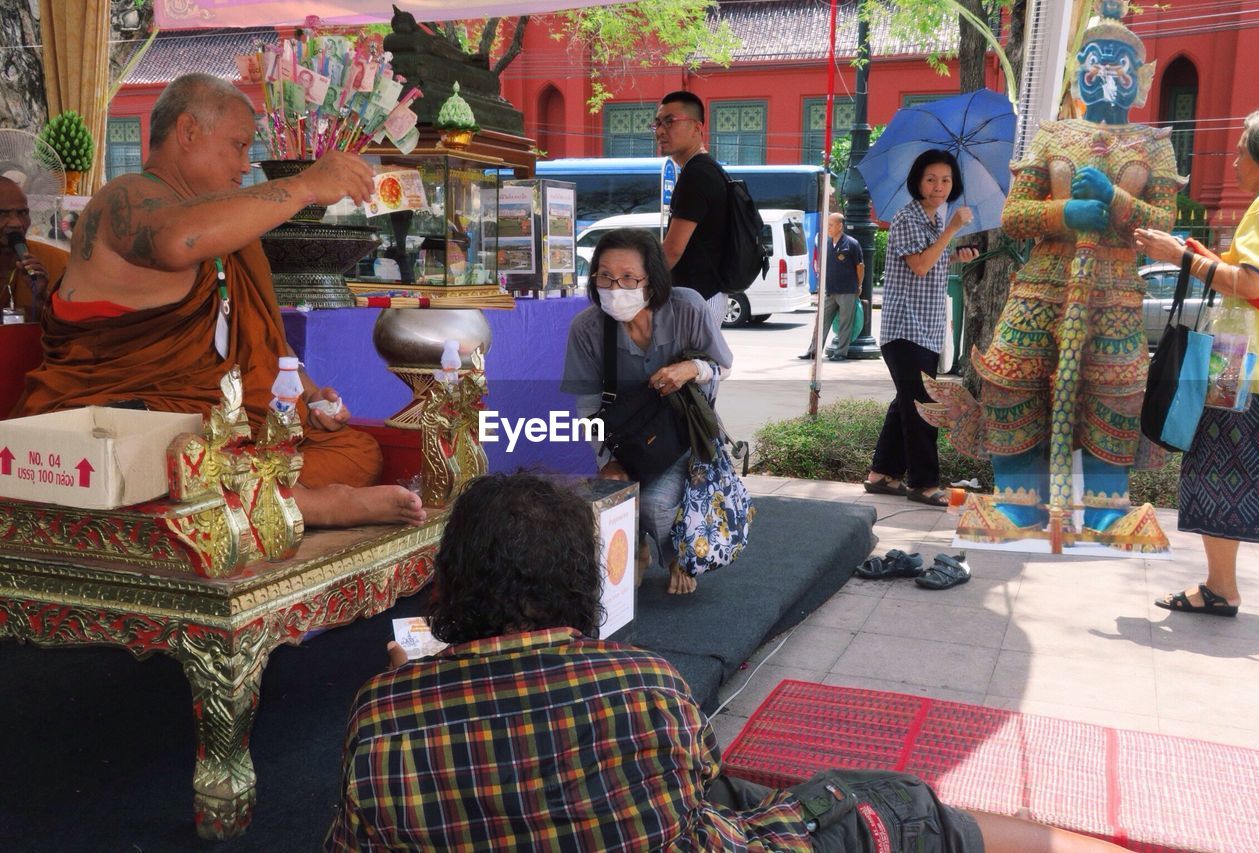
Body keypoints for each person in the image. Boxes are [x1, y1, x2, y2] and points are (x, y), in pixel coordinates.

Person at [326, 471, 1130, 852]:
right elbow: (694, 789)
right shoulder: (642, 685)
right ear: (577, 580)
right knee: (900, 804)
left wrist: (408, 691)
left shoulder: (382, 712)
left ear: (454, 583)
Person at [14, 73, 426, 528]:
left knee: (355, 449)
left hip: (218, 426)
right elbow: (175, 240)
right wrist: (305, 185)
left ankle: (272, 496)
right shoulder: (125, 197)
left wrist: (309, 396)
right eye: (238, 146)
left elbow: (268, 346)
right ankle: (307, 504)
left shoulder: (231, 234)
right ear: (188, 132)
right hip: (129, 419)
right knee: (174, 457)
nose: (246, 165)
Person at [930, 2, 1179, 546]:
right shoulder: (1051, 137)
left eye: (1118, 61)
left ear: (1139, 78)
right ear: (1076, 72)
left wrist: (1115, 200)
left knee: (1112, 389)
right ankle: (1021, 502)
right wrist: (1064, 214)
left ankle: (1106, 509)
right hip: (1043, 283)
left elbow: (1165, 220)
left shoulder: (1152, 145)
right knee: (1012, 376)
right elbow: (1016, 217)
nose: (1104, 70)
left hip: (1113, 288)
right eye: (1092, 58)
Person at [1134, 104, 1259, 616]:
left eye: (1242, 151)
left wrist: (1178, 257)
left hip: (1247, 372)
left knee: (1214, 475)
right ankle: (1220, 585)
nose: (1235, 159)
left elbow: (1251, 284)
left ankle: (1221, 588)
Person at [561, 227, 732, 595]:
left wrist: (690, 369)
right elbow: (587, 407)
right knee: (610, 493)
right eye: (605, 276)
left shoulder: (687, 307)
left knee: (655, 503)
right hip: (625, 437)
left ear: (651, 281)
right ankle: (635, 547)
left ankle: (676, 555)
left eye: (628, 278)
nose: (614, 287)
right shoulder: (587, 328)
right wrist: (607, 458)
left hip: (683, 432)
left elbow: (722, 366)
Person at [865, 150, 978, 506]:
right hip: (904, 328)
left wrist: (957, 255)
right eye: (931, 179)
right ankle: (923, 483)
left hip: (926, 329)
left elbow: (934, 261)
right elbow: (919, 265)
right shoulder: (908, 218)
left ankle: (881, 474)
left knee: (906, 402)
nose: (939, 187)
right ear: (917, 181)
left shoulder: (933, 221)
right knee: (924, 404)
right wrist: (953, 230)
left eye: (946, 180)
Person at [656, 91, 731, 322]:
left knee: (691, 360)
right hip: (705, 296)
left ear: (697, 127)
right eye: (657, 123)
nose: (660, 131)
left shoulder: (696, 175)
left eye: (670, 122)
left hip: (697, 299)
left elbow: (672, 250)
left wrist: (641, 284)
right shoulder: (707, 169)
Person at [799, 213, 864, 361]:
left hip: (847, 290)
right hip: (830, 290)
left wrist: (858, 285)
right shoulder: (827, 244)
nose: (828, 228)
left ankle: (840, 353)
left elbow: (860, 267)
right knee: (821, 322)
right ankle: (813, 351)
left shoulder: (851, 244)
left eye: (831, 225)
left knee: (845, 324)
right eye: (827, 225)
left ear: (840, 226)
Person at [0, 176, 66, 323]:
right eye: (3, 214)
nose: (16, 223)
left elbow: (67, 329)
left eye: (22, 213)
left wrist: (42, 296)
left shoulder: (59, 261)